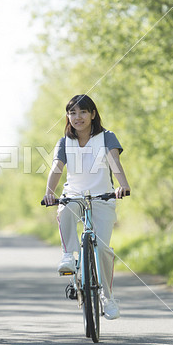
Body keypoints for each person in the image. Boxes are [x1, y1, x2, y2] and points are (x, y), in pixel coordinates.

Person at [42, 94, 130, 320]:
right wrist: (49, 193)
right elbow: (57, 168)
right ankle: (68, 256)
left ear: (92, 114)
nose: (77, 117)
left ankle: (108, 299)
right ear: (67, 116)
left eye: (82, 112)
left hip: (103, 197)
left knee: (102, 249)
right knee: (65, 210)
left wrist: (123, 185)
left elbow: (114, 162)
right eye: (72, 113)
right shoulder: (64, 142)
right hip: (74, 195)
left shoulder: (106, 137)